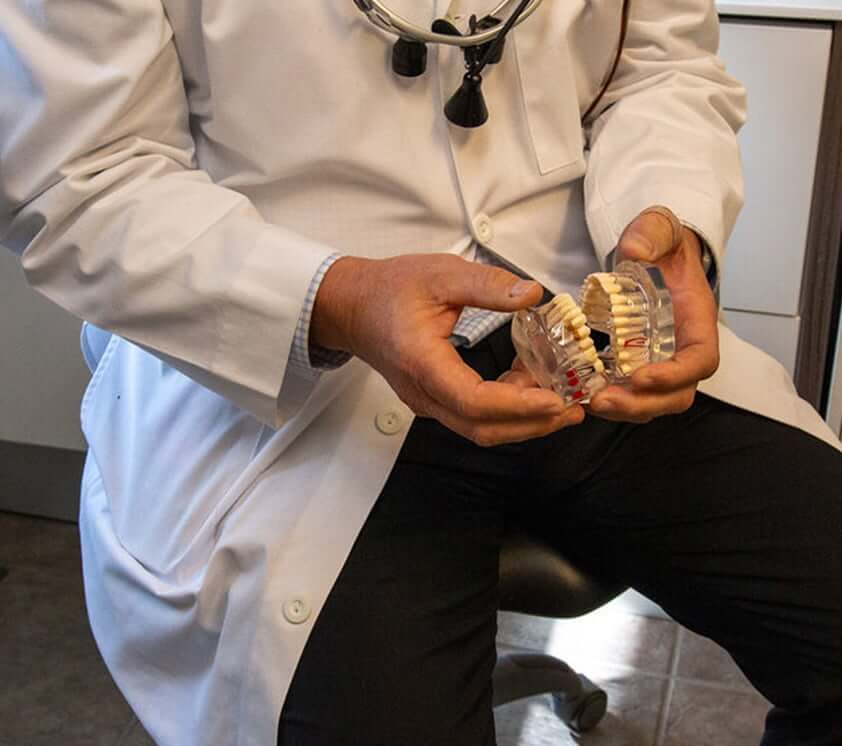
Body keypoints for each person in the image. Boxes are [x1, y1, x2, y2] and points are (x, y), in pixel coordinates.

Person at [1, 1, 840, 744]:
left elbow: (659, 66)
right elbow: (80, 172)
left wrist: (667, 214)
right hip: (283, 357)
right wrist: (337, 298)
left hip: (569, 314)